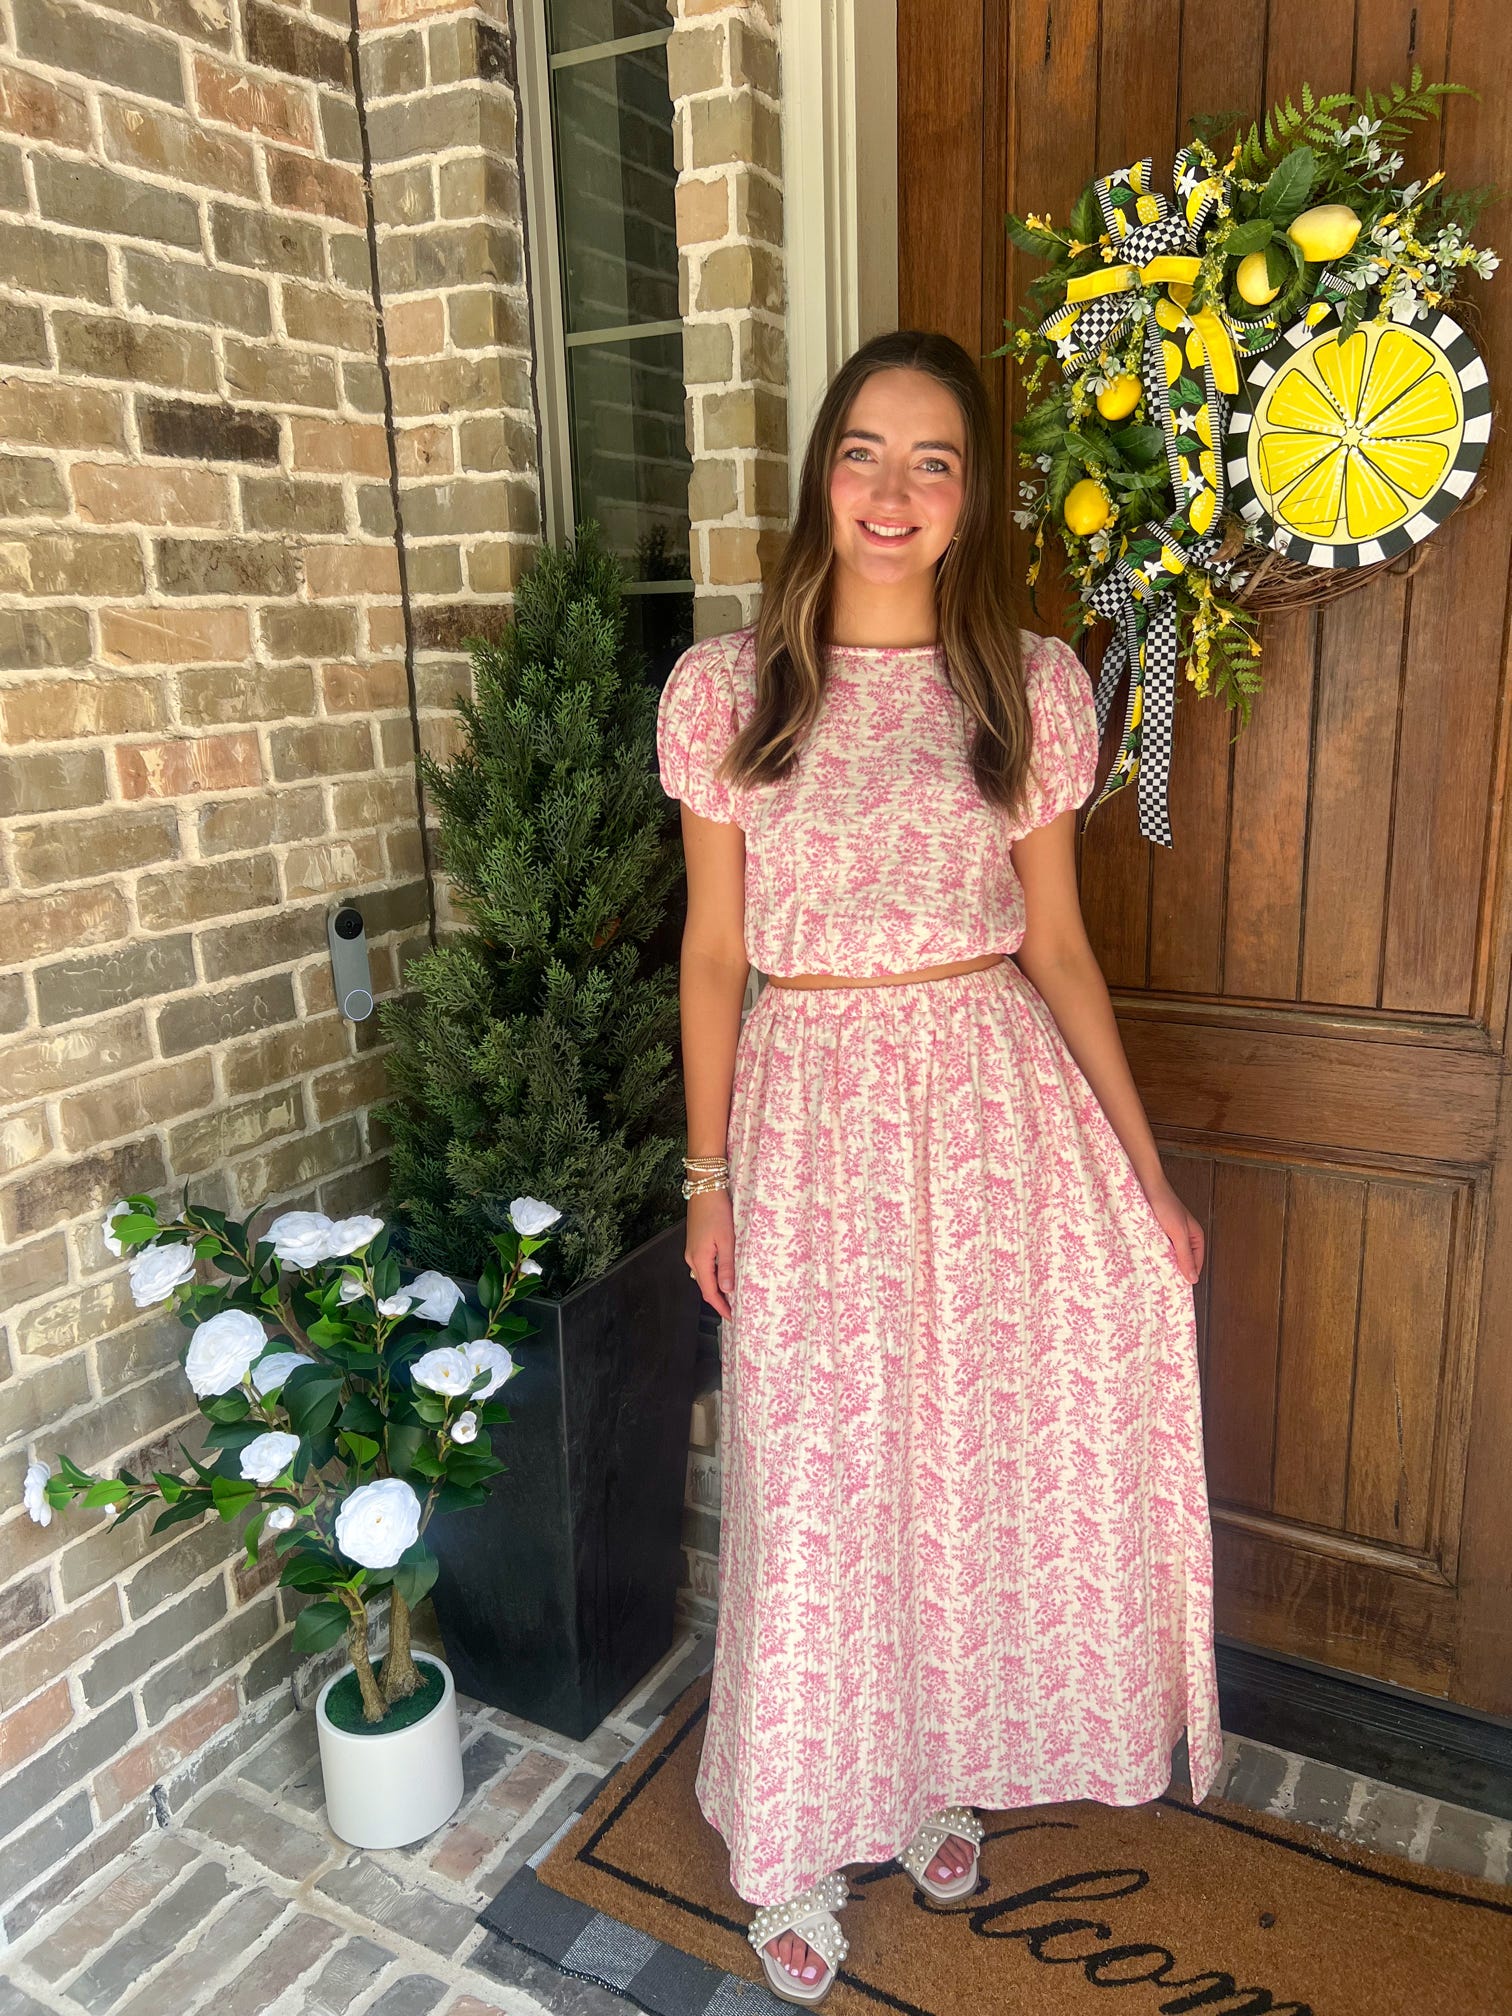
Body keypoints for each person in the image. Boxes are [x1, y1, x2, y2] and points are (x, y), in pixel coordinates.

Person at [655, 327, 1222, 2007]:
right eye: (865, 454)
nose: (894, 492)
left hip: (996, 1121)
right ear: (821, 475)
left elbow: (1056, 944)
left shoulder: (1029, 684)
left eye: (935, 463)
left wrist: (1150, 1177)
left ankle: (935, 1772)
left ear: (973, 502)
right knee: (817, 1493)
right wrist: (707, 1179)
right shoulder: (729, 688)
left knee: (967, 1474)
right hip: (811, 1120)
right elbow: (709, 957)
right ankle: (792, 1836)